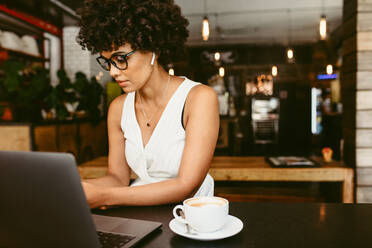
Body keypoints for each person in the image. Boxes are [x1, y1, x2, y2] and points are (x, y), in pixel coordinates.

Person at [76, 0, 220, 208]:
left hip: (190, 221)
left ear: (152, 48)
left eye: (120, 58)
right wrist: (79, 187)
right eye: (108, 61)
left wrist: (104, 196)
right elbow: (118, 179)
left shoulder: (198, 98)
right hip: (138, 217)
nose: (114, 71)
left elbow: (185, 186)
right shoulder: (118, 108)